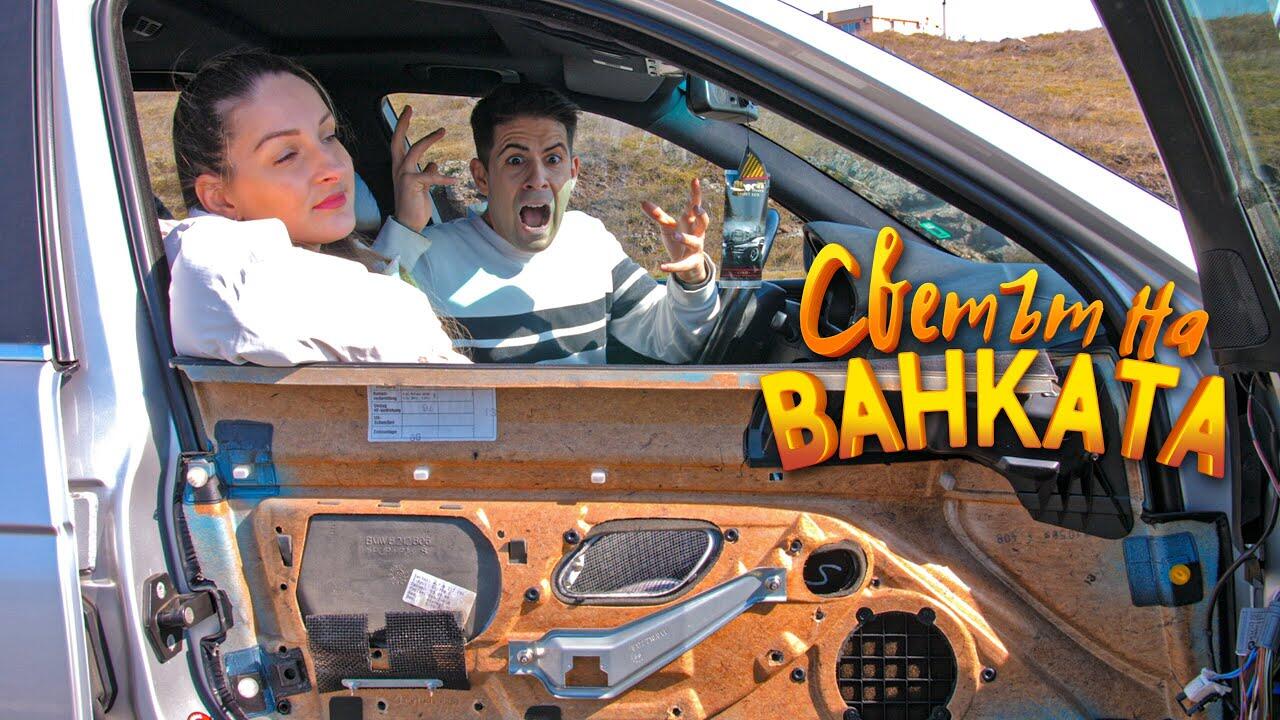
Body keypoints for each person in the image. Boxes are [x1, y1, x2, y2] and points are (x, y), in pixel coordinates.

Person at [373, 83, 720, 364]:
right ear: (481, 177)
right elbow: (368, 346)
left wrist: (693, 280)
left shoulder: (589, 241)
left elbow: (673, 345)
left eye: (553, 159)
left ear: (573, 171)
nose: (537, 178)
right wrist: (404, 231)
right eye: (515, 160)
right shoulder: (428, 256)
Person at [165, 49, 468, 365]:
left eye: (328, 136)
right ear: (219, 198)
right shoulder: (214, 262)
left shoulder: (324, 268)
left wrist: (405, 228)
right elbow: (222, 279)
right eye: (286, 156)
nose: (334, 167)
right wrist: (413, 318)